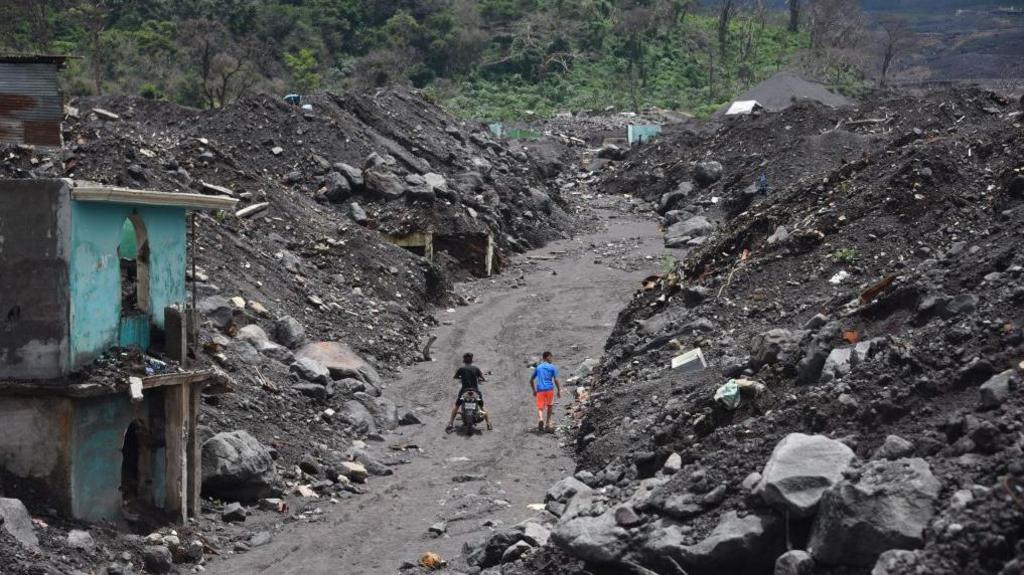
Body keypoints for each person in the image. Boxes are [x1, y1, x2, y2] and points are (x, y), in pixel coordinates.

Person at [446, 352, 492, 433]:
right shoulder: (476, 369)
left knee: (456, 406)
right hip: (475, 391)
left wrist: (461, 377)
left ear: (464, 360)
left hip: (464, 391)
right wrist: (483, 380)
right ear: (472, 360)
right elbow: (483, 378)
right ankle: (488, 423)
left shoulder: (461, 369)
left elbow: (455, 377)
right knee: (482, 407)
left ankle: (450, 423)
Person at [530, 351, 561, 432]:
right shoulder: (552, 367)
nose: (552, 359)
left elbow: (531, 380)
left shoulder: (538, 367)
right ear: (547, 357)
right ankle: (547, 424)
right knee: (550, 406)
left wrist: (534, 390)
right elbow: (556, 380)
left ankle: (541, 419)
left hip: (540, 389)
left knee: (540, 407)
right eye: (551, 357)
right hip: (549, 389)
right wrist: (559, 390)